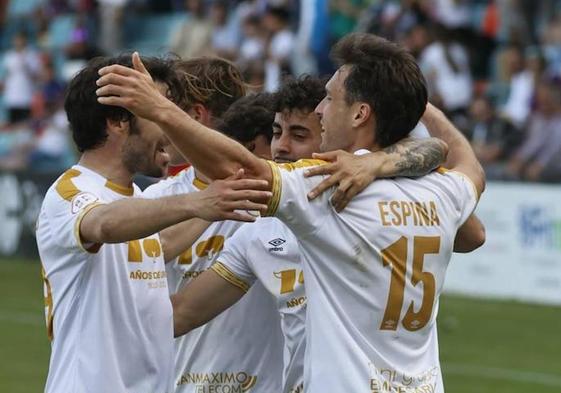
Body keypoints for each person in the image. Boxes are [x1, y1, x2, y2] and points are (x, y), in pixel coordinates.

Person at [96, 32, 486, 392]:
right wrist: (412, 112)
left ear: (360, 114)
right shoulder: (439, 190)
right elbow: (469, 168)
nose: (321, 108)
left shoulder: (324, 188)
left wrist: (161, 110)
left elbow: (238, 170)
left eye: (331, 99)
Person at [36, 55, 271, 393]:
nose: (170, 128)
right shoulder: (71, 191)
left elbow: (159, 245)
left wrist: (211, 191)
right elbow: (102, 225)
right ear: (118, 121)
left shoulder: (133, 198)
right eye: (155, 110)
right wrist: (196, 201)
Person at [142, 58, 284, 393]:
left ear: (193, 117)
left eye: (165, 114)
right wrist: (204, 205)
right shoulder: (159, 197)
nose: (158, 130)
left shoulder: (278, 194)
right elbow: (141, 256)